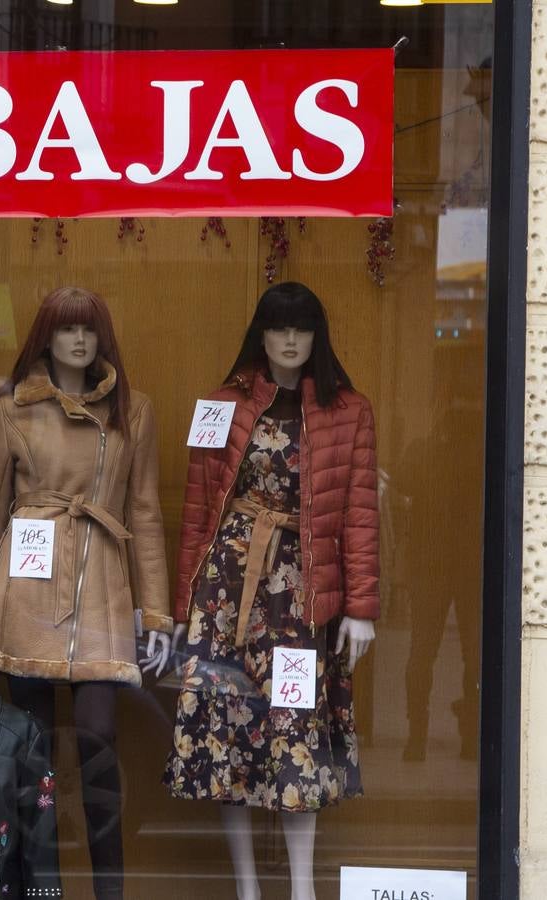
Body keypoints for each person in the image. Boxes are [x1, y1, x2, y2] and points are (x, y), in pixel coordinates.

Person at [0, 286, 173, 900]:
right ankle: (35, 886)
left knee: (98, 738)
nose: (79, 340)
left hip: (100, 578)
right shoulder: (9, 410)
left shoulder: (135, 410)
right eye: (67, 329)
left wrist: (155, 612)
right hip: (27, 583)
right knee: (31, 748)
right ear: (45, 336)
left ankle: (110, 890)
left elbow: (146, 512)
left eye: (90, 329)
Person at [163, 282, 379, 900]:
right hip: (226, 591)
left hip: (300, 594)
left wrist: (360, 608)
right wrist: (183, 606)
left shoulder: (349, 410)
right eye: (278, 327)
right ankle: (247, 888)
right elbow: (200, 507)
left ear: (317, 336)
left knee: (294, 728)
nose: (289, 340)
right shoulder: (218, 405)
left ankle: (304, 889)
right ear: (259, 334)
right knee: (227, 727)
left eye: (301, 328)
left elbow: (360, 513)